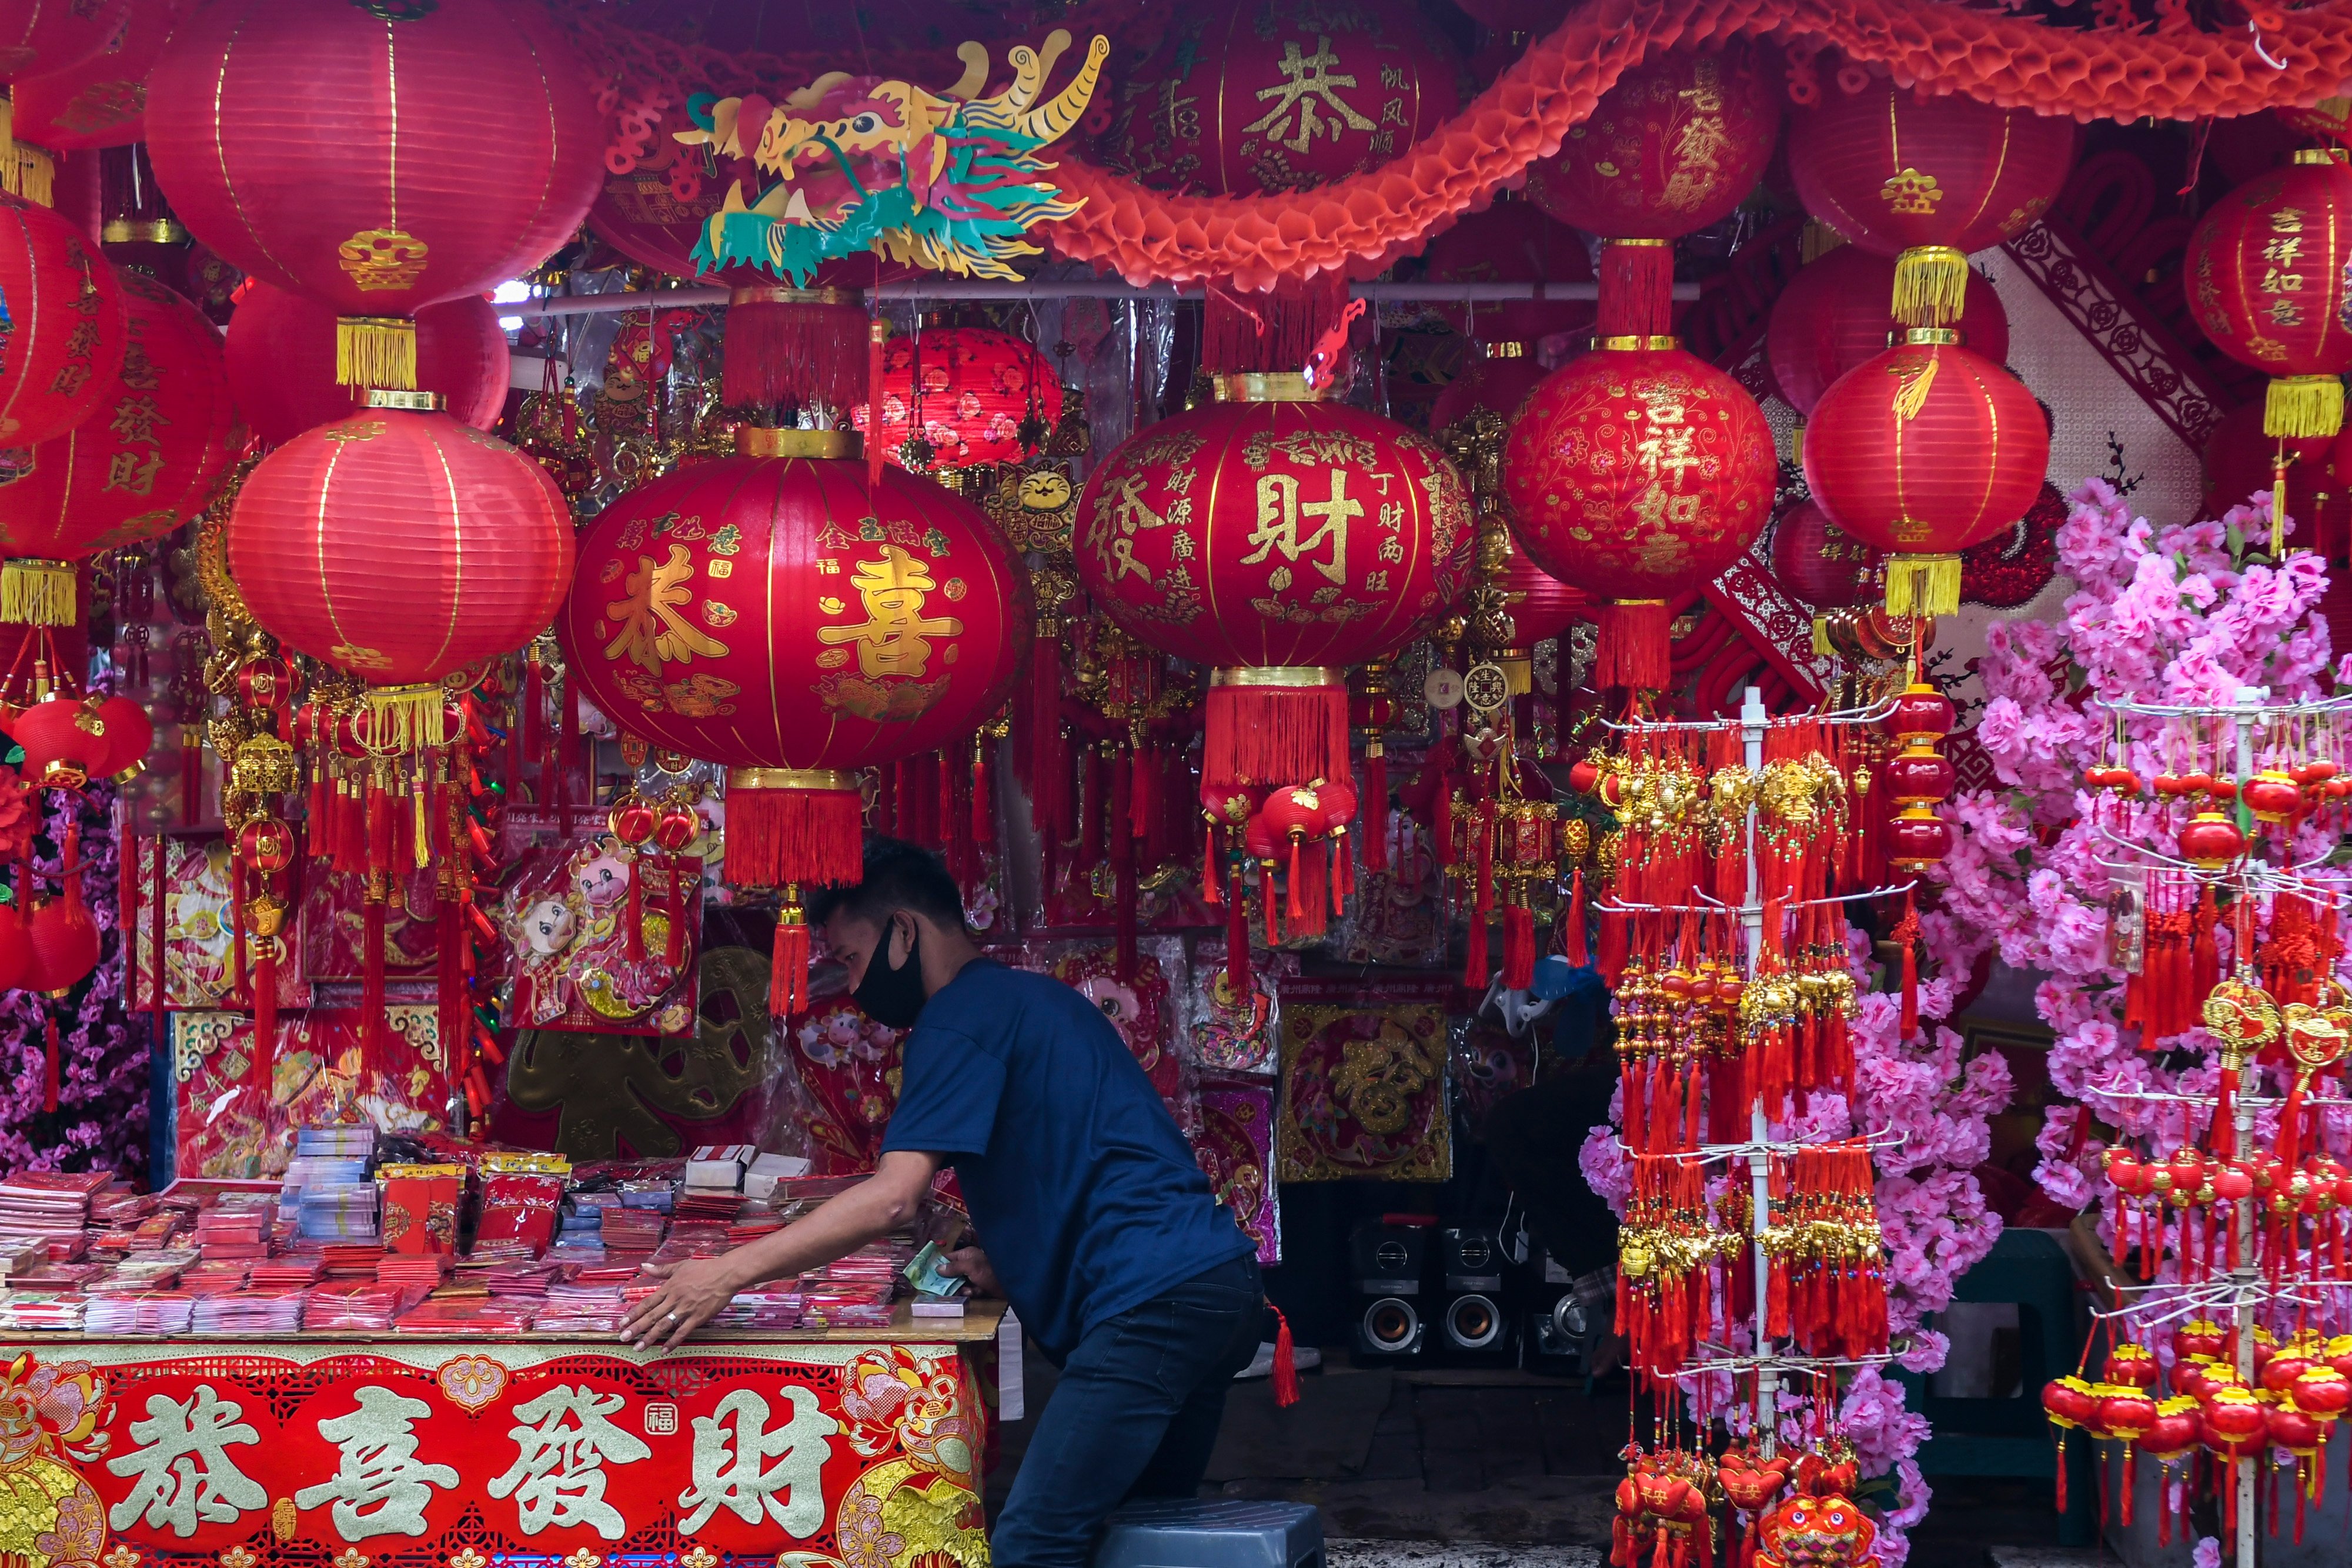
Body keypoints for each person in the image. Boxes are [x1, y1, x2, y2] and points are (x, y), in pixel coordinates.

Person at [620, 837, 1262, 1567]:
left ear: (903, 931)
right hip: (1212, 1286)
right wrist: (1010, 1264)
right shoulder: (1028, 998)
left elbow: (892, 1200)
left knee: (1033, 1541)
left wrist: (725, 1273)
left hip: (1155, 1305)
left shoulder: (958, 1017)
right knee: (1138, 1536)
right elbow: (1079, 1161)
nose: (854, 983)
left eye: (854, 958)